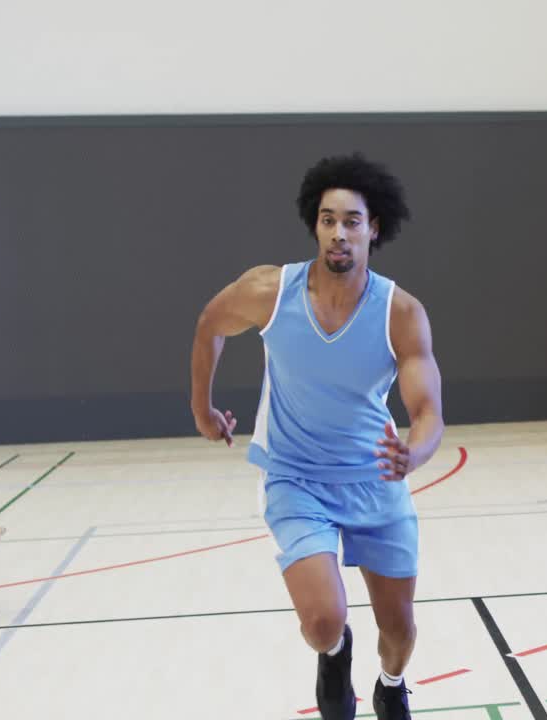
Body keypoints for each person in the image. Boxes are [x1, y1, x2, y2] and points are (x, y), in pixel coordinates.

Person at [190, 153, 443, 720]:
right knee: (323, 618)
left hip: (375, 479)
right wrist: (202, 408)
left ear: (373, 229)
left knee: (399, 629)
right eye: (328, 219)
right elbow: (210, 324)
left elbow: (427, 410)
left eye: (352, 221)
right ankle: (334, 652)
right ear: (314, 224)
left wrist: (414, 452)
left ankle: (391, 682)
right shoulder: (269, 291)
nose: (338, 232)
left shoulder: (400, 313)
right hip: (295, 477)